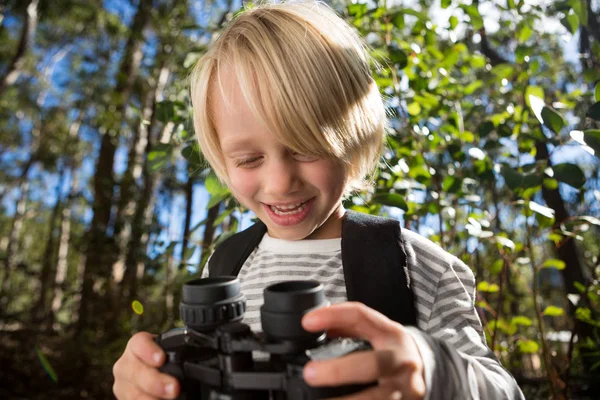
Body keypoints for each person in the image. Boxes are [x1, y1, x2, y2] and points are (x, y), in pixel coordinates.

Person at [112, 1, 525, 399]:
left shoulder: (418, 268)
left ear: (355, 136)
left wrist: (430, 372)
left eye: (305, 148)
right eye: (249, 158)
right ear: (222, 159)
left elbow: (504, 392)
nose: (280, 182)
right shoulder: (224, 267)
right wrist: (150, 380)